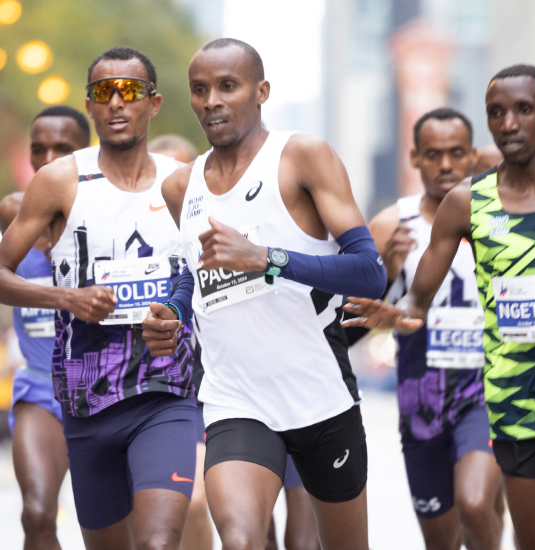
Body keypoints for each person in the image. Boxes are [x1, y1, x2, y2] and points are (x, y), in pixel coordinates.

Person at [342, 64, 535, 550]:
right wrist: (396, 312)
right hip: (515, 401)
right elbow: (418, 299)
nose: (508, 124)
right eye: (496, 113)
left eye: (523, 110)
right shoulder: (466, 202)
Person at [141, 38, 387, 550]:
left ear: (261, 91)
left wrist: (267, 258)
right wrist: (173, 311)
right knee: (241, 537)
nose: (212, 101)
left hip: (319, 396)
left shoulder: (301, 157)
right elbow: (195, 272)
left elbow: (368, 272)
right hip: (236, 399)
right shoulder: (179, 187)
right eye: (200, 90)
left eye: (227, 86)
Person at [0, 47, 198, 550]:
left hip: (165, 395)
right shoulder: (61, 181)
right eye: (102, 92)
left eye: (128, 90)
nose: (115, 101)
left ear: (153, 104)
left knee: (157, 542)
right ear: (89, 106)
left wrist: (176, 314)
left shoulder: (183, 182)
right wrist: (67, 299)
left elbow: (207, 276)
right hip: (87, 403)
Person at [357, 108, 503, 550]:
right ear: (415, 157)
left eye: (456, 154)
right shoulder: (389, 225)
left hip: (488, 390)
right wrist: (387, 273)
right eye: (434, 154)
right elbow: (349, 328)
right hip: (421, 401)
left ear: (472, 155)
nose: (445, 165)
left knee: (476, 505)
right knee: (442, 539)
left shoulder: (501, 215)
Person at [1, 105, 89, 550]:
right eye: (39, 149)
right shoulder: (14, 213)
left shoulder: (110, 214)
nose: (49, 158)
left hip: (105, 388)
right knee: (36, 513)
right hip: (39, 387)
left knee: (121, 528)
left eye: (63, 148)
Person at [148, 134, 213, 550]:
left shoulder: (215, 235)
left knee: (192, 501)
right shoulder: (130, 241)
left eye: (183, 174)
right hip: (145, 391)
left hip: (209, 389)